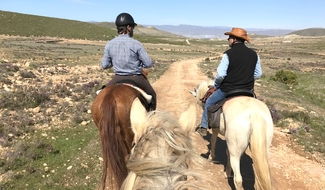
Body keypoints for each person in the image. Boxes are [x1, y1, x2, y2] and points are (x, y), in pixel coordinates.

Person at [196, 27, 262, 136]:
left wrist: (216, 85)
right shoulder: (254, 54)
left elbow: (221, 75)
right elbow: (258, 74)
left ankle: (203, 126)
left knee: (209, 102)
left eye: (229, 38)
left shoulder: (228, 54)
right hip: (248, 90)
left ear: (234, 39)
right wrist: (245, 78)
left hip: (228, 90)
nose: (228, 40)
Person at [100, 12, 157, 110]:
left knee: (101, 94)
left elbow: (104, 65)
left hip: (117, 77)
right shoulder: (136, 44)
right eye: (132, 27)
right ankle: (151, 118)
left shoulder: (109, 44)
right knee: (152, 95)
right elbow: (148, 63)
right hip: (136, 77)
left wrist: (114, 62)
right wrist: (138, 63)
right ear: (129, 27)